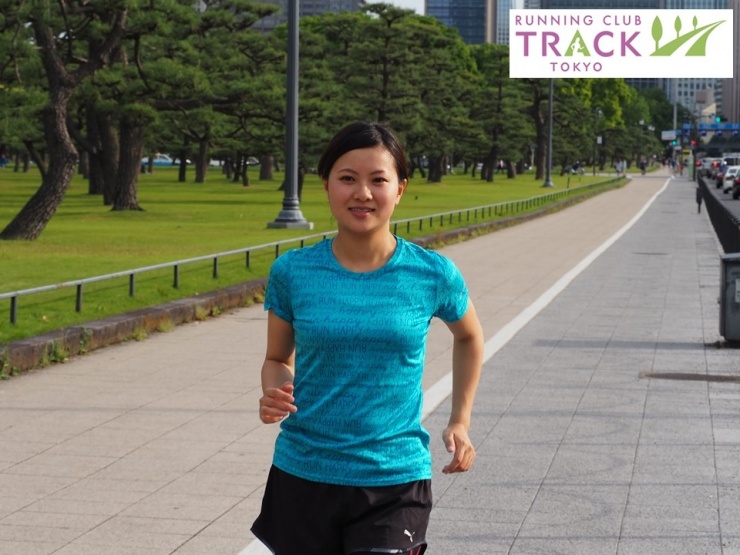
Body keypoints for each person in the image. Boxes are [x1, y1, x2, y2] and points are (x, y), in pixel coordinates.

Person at [251, 121, 484, 555]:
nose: (363, 193)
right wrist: (274, 391)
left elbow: (469, 336)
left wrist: (460, 419)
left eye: (378, 180)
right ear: (326, 185)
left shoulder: (431, 273)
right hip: (304, 472)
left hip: (394, 478)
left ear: (400, 189)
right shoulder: (293, 271)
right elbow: (277, 358)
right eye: (347, 179)